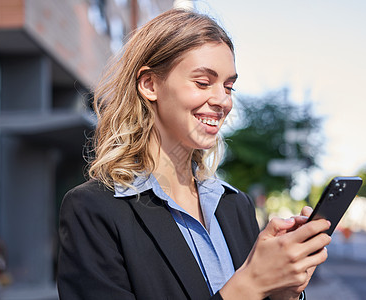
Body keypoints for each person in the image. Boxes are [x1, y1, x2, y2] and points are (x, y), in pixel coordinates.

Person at [57, 9, 331, 300]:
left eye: (228, 86)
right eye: (203, 82)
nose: (223, 100)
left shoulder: (235, 205)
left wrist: (282, 292)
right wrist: (249, 285)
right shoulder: (94, 209)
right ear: (149, 84)